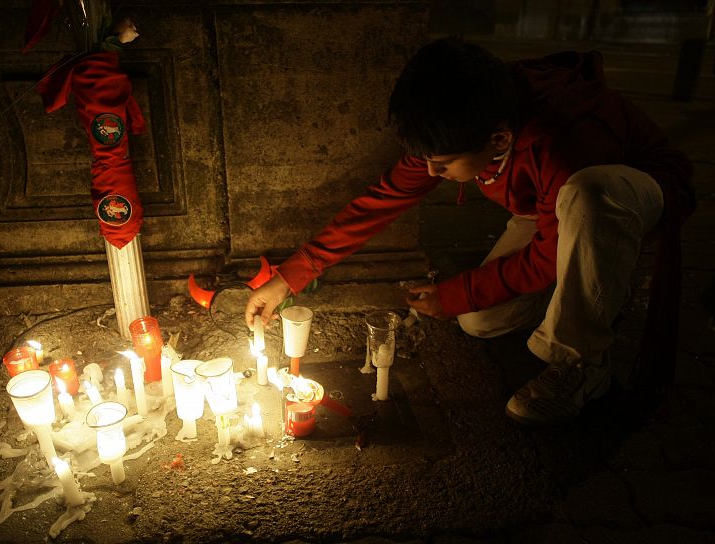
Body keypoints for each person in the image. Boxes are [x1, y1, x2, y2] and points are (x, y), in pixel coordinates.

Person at [243, 39, 695, 426]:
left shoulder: (566, 141)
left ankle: (582, 362)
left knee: (586, 198)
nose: (431, 173)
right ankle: (590, 288)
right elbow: (381, 201)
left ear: (499, 139)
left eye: (441, 165)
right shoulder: (463, 118)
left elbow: (547, 252)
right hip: (547, 210)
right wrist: (289, 278)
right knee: (480, 320)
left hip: (622, 199)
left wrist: (456, 292)